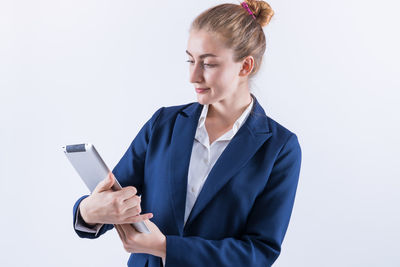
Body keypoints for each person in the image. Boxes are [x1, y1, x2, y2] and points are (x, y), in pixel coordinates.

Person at [72, 1, 302, 266]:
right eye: (191, 60)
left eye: (208, 64)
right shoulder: (163, 123)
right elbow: (117, 195)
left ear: (245, 66)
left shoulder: (279, 148)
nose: (193, 76)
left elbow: (260, 252)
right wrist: (88, 211)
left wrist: (166, 247)